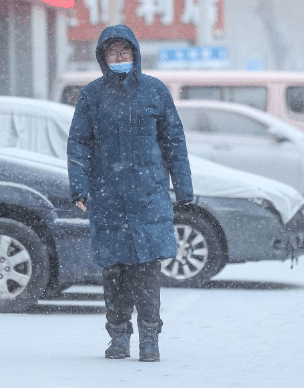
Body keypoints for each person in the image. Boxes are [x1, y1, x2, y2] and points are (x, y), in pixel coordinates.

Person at [67, 25, 193, 362]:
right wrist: (79, 186)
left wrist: (184, 189)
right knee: (115, 273)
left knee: (147, 273)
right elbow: (79, 142)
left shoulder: (154, 91)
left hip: (147, 198)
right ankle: (118, 337)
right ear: (103, 57)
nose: (119, 57)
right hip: (108, 198)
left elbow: (174, 143)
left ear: (135, 54)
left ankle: (150, 338)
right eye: (112, 52)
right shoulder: (92, 95)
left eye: (125, 51)